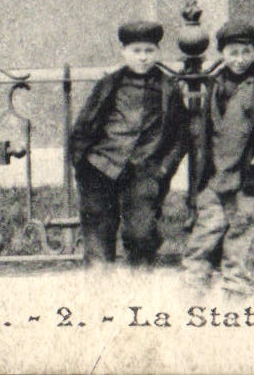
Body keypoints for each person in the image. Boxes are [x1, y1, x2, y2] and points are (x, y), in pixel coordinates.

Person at [182, 20, 254, 298]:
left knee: (241, 245)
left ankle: (236, 303)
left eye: (246, 52)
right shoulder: (214, 84)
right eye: (233, 53)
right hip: (217, 180)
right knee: (201, 243)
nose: (239, 59)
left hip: (251, 182)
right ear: (222, 53)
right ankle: (189, 302)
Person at [69, 20, 189, 267]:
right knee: (99, 235)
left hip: (144, 172)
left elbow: (182, 136)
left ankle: (139, 290)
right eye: (136, 51)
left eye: (149, 51)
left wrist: (163, 169)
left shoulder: (169, 88)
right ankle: (100, 293)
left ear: (157, 52)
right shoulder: (109, 83)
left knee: (141, 234)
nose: (143, 58)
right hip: (101, 167)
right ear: (124, 52)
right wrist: (82, 165)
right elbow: (83, 126)